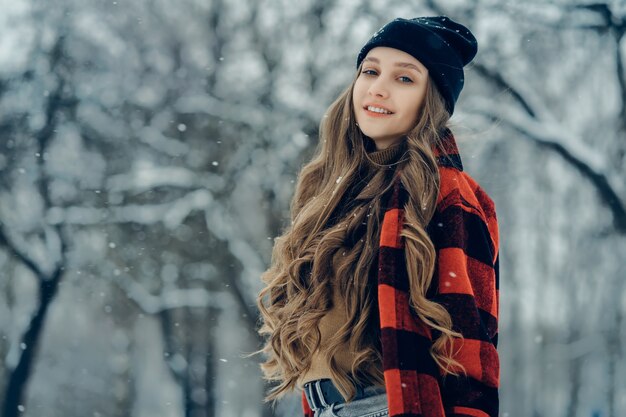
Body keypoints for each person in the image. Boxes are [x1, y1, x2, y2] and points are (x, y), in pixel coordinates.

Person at [254, 16, 500, 417]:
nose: (379, 87)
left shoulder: (448, 193)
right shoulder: (333, 190)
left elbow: (470, 350)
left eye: (405, 79)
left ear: (431, 101)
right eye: (370, 71)